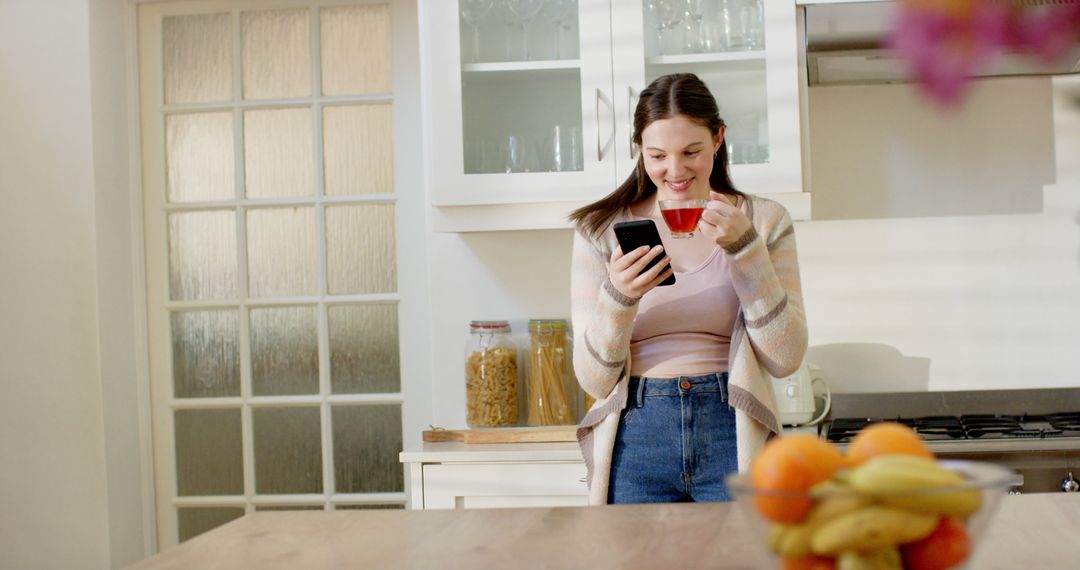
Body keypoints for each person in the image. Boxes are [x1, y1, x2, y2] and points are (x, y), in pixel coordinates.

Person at [568, 73, 808, 505]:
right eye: (657, 155)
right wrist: (620, 298)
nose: (675, 171)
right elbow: (594, 380)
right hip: (637, 434)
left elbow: (785, 358)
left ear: (719, 139)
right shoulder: (601, 231)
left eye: (692, 152)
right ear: (639, 150)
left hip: (731, 426)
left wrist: (747, 251)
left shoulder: (765, 220)